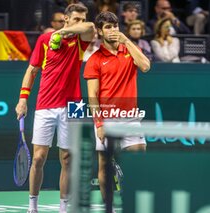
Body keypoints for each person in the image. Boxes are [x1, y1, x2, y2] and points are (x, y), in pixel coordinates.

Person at [14, 3, 95, 213]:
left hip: (73, 105)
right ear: (66, 18)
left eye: (82, 18)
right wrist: (23, 99)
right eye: (76, 19)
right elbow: (32, 71)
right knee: (39, 157)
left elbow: (91, 28)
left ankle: (63, 208)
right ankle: (32, 206)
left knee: (68, 159)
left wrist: (65, 31)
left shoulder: (80, 40)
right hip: (45, 103)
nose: (81, 23)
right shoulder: (44, 40)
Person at [83, 11, 150, 211]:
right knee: (103, 166)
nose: (113, 30)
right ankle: (109, 207)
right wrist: (99, 124)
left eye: (115, 26)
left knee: (139, 163)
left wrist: (127, 41)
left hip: (130, 119)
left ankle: (135, 204)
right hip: (107, 119)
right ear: (101, 32)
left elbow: (145, 66)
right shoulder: (94, 60)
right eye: (108, 27)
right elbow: (92, 95)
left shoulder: (130, 49)